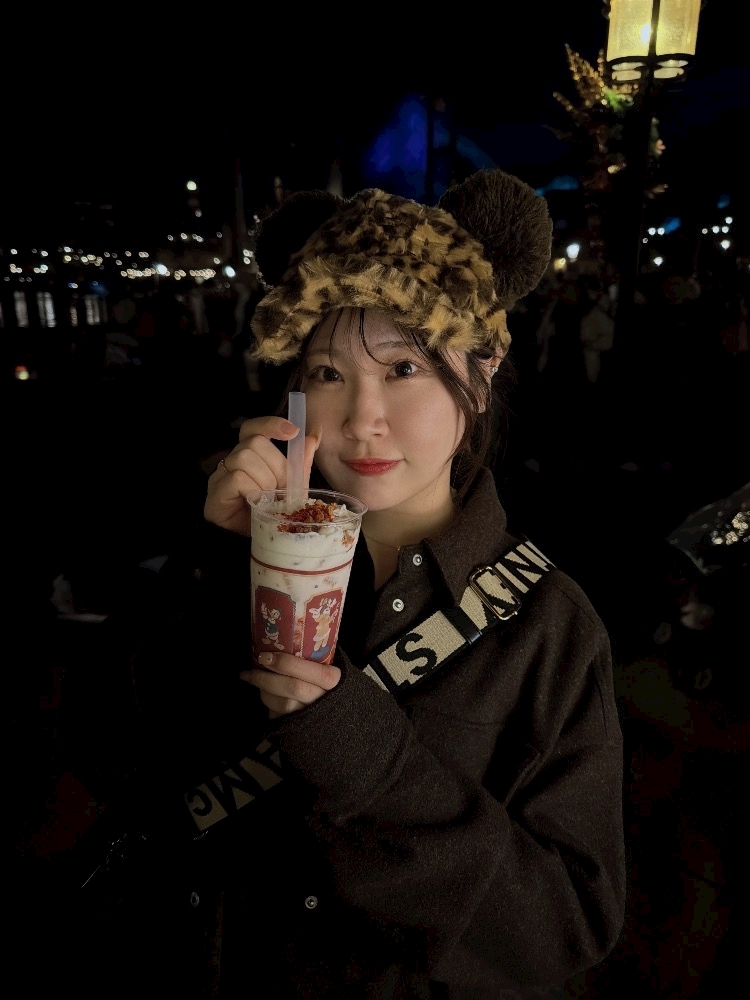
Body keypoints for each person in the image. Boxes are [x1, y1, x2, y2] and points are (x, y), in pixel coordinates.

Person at [61, 169, 625, 1000]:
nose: (362, 418)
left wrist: (365, 761)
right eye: (328, 372)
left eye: (404, 367)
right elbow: (110, 757)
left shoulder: (549, 628)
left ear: (484, 370)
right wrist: (215, 565)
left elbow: (564, 928)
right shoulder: (243, 553)